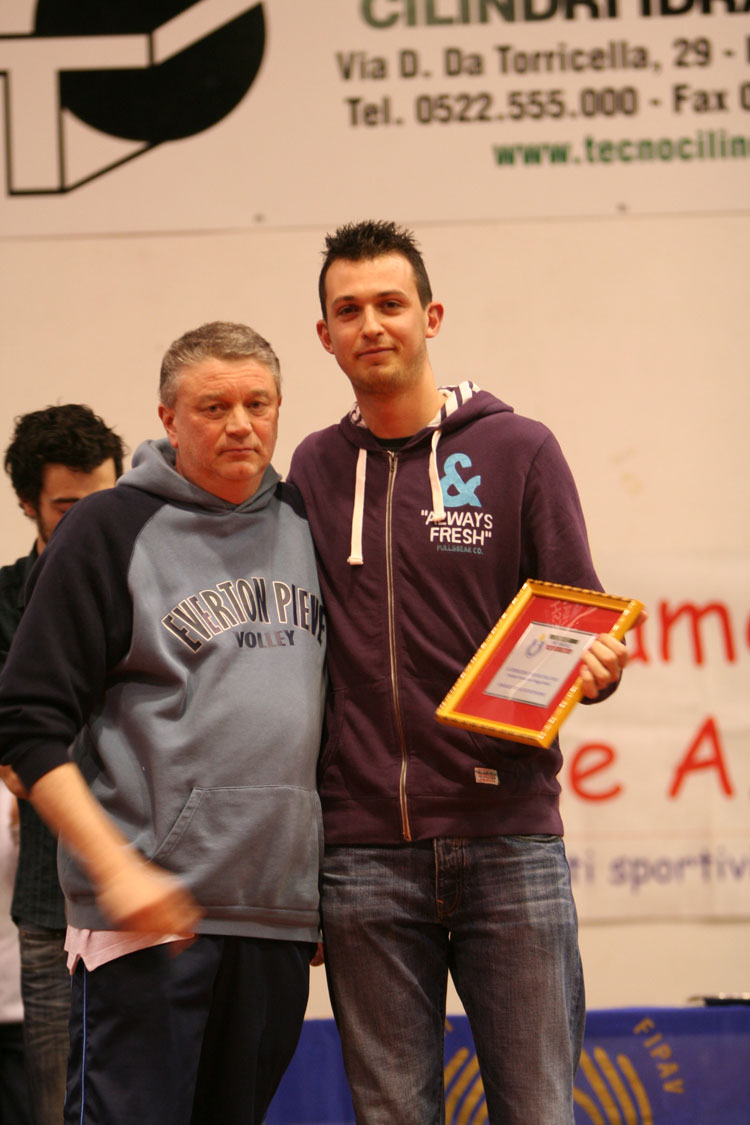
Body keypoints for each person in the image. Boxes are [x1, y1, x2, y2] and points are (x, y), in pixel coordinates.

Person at [288, 220, 631, 1125]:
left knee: (538, 1110)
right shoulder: (314, 467)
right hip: (362, 855)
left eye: (390, 304)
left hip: (508, 840)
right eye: (348, 310)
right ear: (324, 335)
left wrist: (599, 666)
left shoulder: (520, 448)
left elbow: (579, 614)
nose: (371, 324)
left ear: (431, 316)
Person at [0, 322, 327, 1125]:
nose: (240, 423)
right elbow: (27, 723)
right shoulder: (107, 528)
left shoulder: (305, 522)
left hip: (275, 918)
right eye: (213, 406)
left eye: (258, 403)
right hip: (145, 921)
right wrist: (115, 869)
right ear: (168, 418)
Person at [0, 403, 124, 1125]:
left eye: (103, 502)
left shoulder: (151, 586)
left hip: (151, 899)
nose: (89, 524)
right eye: (68, 508)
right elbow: (20, 755)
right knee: (56, 1107)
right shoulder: (5, 601)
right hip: (53, 904)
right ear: (28, 504)